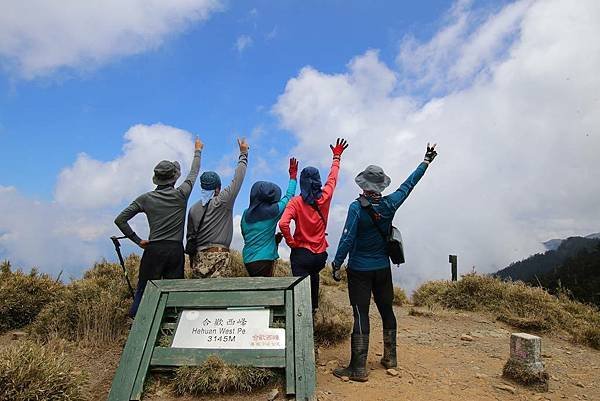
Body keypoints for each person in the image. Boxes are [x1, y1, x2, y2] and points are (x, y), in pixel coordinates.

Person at [331, 143, 437, 382]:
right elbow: (408, 185)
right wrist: (426, 161)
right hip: (383, 269)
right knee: (387, 310)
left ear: (362, 185)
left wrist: (337, 265)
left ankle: (358, 368)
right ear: (381, 186)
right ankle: (390, 358)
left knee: (361, 314)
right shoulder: (391, 204)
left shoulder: (356, 208)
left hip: (359, 270)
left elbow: (347, 238)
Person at [115, 137, 203, 317]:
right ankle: (170, 328)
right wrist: (198, 151)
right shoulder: (181, 194)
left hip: (153, 249)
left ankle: (136, 323)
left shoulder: (145, 198)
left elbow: (120, 219)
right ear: (174, 177)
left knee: (144, 289)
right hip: (174, 250)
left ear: (156, 179)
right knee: (174, 293)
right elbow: (194, 173)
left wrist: (137, 240)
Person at [279, 138, 348, 312]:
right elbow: (332, 178)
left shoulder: (295, 202)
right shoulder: (325, 197)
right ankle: (314, 308)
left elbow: (283, 223)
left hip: (301, 253)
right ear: (318, 180)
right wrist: (336, 157)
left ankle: (302, 314)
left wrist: (291, 242)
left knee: (299, 287)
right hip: (319, 255)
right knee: (314, 276)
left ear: (302, 182)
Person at [186, 138, 249, 278]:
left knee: (200, 298)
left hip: (199, 258)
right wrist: (243, 154)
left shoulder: (193, 209)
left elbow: (190, 237)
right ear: (218, 188)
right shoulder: (223, 201)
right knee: (220, 298)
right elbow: (238, 179)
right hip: (220, 257)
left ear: (202, 187)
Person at [241, 158, 298, 277]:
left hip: (248, 259)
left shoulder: (245, 214)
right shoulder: (274, 211)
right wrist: (293, 177)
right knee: (264, 291)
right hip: (265, 259)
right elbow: (289, 196)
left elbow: (247, 236)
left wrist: (273, 240)